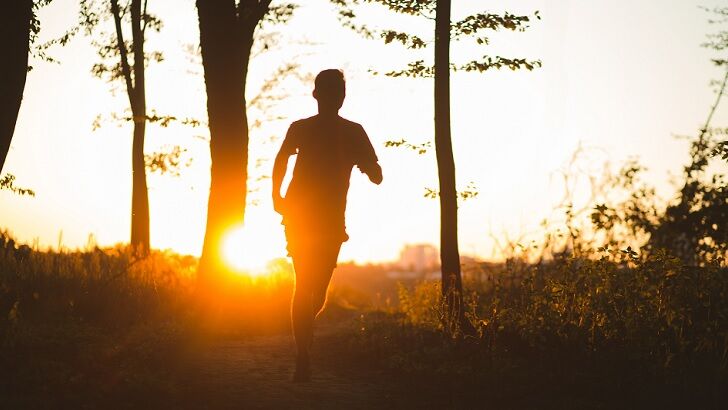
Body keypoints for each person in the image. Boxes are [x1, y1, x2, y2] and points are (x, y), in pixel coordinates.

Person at [272, 69, 383, 382]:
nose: (335, 97)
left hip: (329, 218)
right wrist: (276, 196)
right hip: (303, 215)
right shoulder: (302, 128)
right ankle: (303, 355)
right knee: (306, 284)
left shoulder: (354, 132)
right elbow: (281, 159)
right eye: (331, 92)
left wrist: (372, 170)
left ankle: (303, 340)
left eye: (337, 93)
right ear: (317, 95)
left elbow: (373, 169)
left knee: (315, 292)